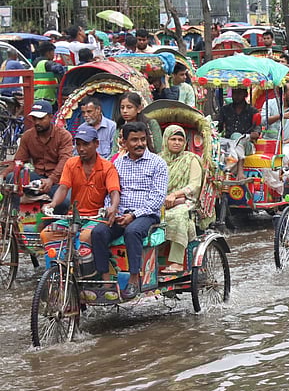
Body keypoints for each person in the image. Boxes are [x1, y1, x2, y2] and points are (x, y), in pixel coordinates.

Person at [89, 122, 168, 300]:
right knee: (98, 232)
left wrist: (133, 215)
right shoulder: (117, 163)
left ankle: (134, 279)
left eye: (142, 139)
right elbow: (111, 191)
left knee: (132, 231)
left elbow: (157, 199)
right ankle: (106, 281)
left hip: (146, 214)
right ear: (124, 142)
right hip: (120, 213)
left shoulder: (158, 164)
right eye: (134, 140)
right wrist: (112, 211)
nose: (139, 144)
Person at [39, 123, 120, 289]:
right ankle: (58, 273)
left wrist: (113, 207)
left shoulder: (107, 167)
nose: (81, 148)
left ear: (96, 144)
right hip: (74, 216)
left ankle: (90, 279)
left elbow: (114, 192)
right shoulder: (71, 163)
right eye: (79, 144)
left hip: (95, 218)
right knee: (46, 234)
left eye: (86, 144)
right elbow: (63, 188)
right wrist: (52, 204)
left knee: (84, 238)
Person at [159, 124, 206, 273]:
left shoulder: (191, 159)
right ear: (166, 140)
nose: (177, 142)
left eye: (180, 139)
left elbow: (194, 185)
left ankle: (176, 262)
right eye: (173, 139)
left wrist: (175, 195)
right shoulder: (158, 159)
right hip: (160, 201)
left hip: (186, 201)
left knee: (178, 216)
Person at [6, 99, 72, 204]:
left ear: (50, 117)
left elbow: (64, 161)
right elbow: (18, 161)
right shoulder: (28, 136)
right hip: (37, 177)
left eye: (41, 119)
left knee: (65, 202)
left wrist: (51, 180)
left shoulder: (63, 136)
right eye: (35, 119)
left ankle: (49, 220)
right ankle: (15, 215)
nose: (37, 122)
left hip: (58, 180)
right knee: (11, 179)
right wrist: (3, 175)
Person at [261, 81, 289, 157]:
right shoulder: (269, 104)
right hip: (269, 141)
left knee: (284, 154)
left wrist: (285, 142)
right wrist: (280, 116)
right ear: (283, 94)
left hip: (288, 144)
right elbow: (263, 121)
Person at [32, 41, 65, 106]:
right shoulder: (45, 63)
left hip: (36, 97)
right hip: (47, 99)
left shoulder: (35, 64)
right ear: (48, 52)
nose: (54, 54)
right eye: (53, 52)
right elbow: (58, 68)